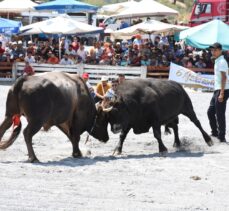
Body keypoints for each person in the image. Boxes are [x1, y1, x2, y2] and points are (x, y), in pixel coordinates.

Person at [207, 42, 229, 142]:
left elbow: (224, 77)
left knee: (220, 114)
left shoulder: (221, 62)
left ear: (220, 50)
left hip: (222, 89)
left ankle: (221, 137)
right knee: (210, 112)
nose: (213, 52)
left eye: (215, 50)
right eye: (212, 50)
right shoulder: (217, 60)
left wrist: (222, 93)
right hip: (218, 89)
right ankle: (215, 133)